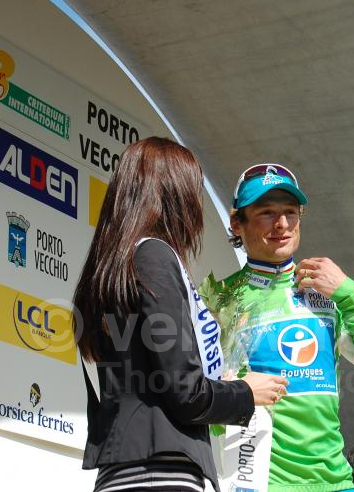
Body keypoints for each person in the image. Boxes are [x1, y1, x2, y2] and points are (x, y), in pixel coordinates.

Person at [73, 138, 288, 492]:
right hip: (159, 471)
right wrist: (245, 393)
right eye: (192, 189)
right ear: (174, 195)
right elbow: (185, 392)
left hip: (121, 472)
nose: (196, 204)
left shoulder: (107, 269)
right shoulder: (154, 256)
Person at [199, 163, 354, 491]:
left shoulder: (332, 293)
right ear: (236, 223)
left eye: (291, 212)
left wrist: (353, 296)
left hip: (336, 482)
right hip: (260, 483)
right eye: (266, 212)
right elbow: (189, 394)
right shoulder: (216, 301)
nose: (281, 224)